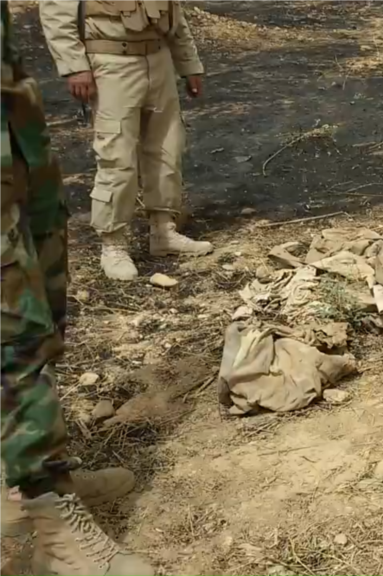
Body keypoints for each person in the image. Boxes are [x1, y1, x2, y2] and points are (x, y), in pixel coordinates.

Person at [0, 3, 154, 574]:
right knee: (10, 316)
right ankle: (49, 517)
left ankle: (21, 481)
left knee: (41, 275)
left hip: (10, 108)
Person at [38, 0, 211, 281]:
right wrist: (74, 66)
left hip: (159, 58)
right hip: (110, 62)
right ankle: (114, 244)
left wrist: (189, 63)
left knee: (167, 146)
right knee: (116, 154)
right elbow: (56, 12)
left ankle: (163, 231)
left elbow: (173, 12)